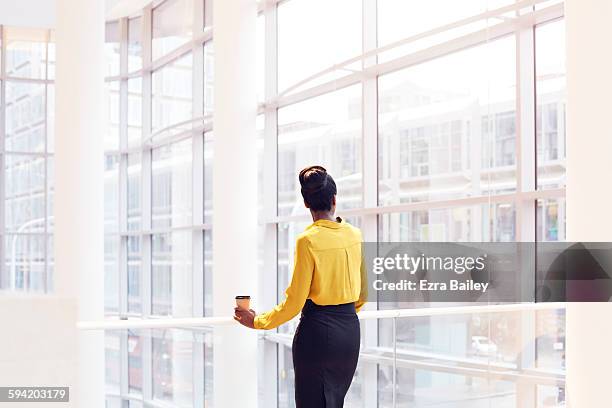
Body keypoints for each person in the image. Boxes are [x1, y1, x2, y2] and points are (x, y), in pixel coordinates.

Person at [234, 165, 368, 408]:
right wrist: (342, 314)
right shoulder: (354, 234)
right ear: (334, 200)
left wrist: (257, 321)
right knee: (335, 401)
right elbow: (363, 294)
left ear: (306, 204)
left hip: (318, 335)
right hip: (349, 334)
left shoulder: (307, 241)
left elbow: (294, 303)